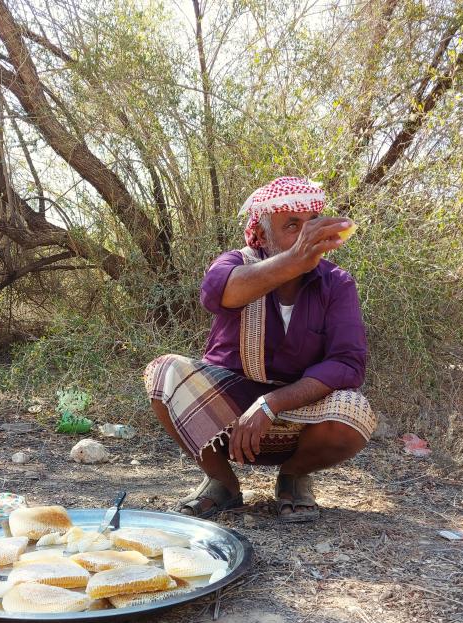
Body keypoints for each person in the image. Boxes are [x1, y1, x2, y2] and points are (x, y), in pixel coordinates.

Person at [144, 177, 376, 522]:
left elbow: (347, 364)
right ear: (264, 236)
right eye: (292, 225)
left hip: (298, 413)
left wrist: (272, 403)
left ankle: (293, 477)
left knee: (354, 411)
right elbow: (215, 294)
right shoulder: (236, 263)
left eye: (312, 222)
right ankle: (221, 483)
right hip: (228, 419)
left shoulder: (337, 282)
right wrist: (294, 261)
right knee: (164, 372)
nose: (307, 234)